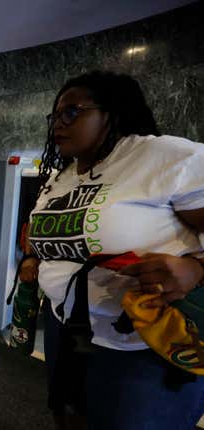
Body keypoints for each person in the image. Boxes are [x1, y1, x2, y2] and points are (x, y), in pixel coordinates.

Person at [21, 70, 204, 430]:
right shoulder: (63, 175)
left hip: (141, 346)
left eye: (71, 112)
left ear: (112, 112)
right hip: (68, 330)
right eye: (55, 115)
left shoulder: (163, 157)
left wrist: (196, 269)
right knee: (68, 417)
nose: (58, 123)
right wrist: (34, 257)